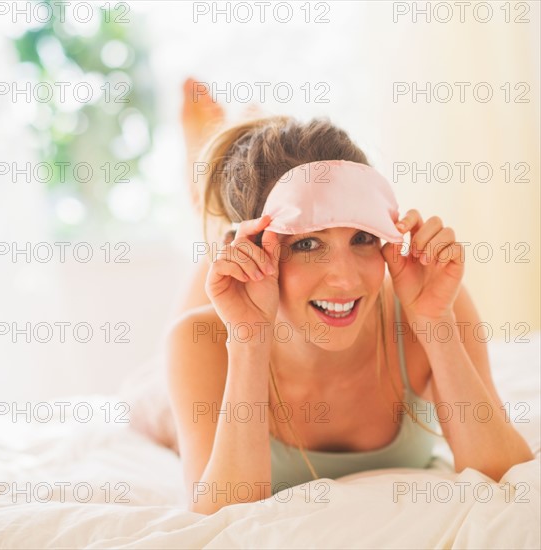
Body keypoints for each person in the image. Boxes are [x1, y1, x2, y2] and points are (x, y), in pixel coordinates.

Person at [165, 78, 534, 516]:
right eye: (307, 243)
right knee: (161, 413)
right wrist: (247, 340)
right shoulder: (199, 342)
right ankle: (205, 195)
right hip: (233, 321)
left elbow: (506, 479)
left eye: (362, 237)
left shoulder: (433, 304)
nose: (345, 279)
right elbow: (217, 520)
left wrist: (436, 325)